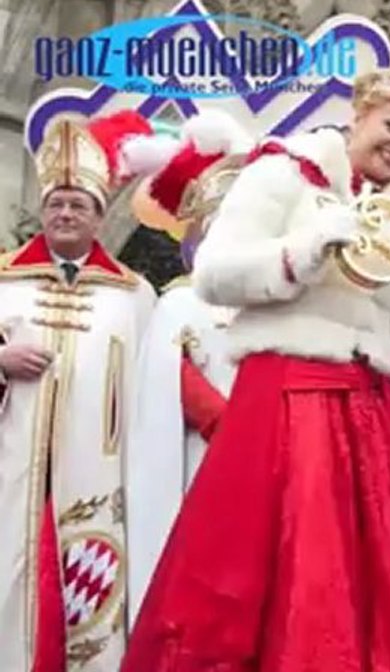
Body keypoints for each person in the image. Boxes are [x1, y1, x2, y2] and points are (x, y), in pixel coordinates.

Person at [120, 68, 390, 672]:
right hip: (288, 402)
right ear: (358, 115)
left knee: (371, 591)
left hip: (365, 414)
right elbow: (216, 272)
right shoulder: (285, 172)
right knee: (288, 576)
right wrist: (307, 249)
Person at [0, 110, 159, 672]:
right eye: (56, 204)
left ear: (99, 216)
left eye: (80, 205)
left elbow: (154, 395)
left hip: (97, 479)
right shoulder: (1, 282)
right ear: (41, 212)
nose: (66, 213)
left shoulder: (135, 295)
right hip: (10, 472)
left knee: (90, 605)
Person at [123, 110, 255, 628]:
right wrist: (226, 420)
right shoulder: (178, 303)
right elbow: (162, 373)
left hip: (263, 459)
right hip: (196, 461)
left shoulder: (275, 302)